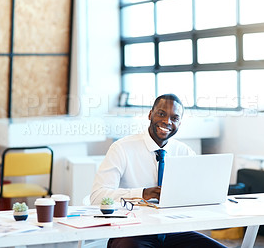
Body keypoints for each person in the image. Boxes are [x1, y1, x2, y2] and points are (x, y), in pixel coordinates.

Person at [90, 94, 226, 248]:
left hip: (174, 231)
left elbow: (197, 194)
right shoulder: (121, 148)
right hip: (132, 231)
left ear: (180, 123)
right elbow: (97, 196)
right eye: (161, 114)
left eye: (174, 118)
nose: (167, 121)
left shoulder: (184, 152)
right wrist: (142, 193)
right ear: (150, 114)